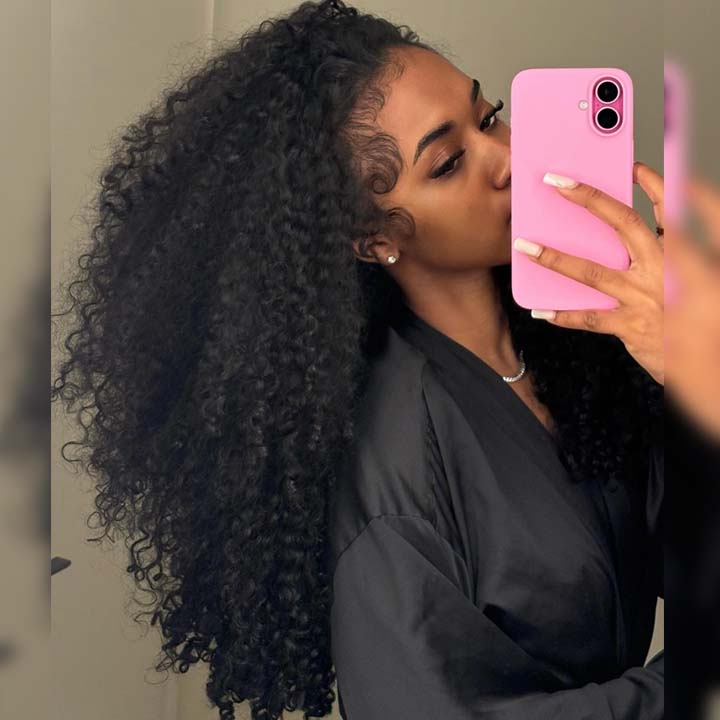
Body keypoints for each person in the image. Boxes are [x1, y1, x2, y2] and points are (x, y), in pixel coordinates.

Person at [50, 1, 664, 718]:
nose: (508, 157)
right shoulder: (394, 458)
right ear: (373, 239)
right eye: (449, 163)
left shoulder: (580, 345)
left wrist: (686, 360)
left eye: (489, 116)